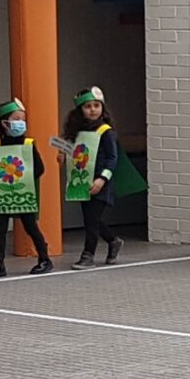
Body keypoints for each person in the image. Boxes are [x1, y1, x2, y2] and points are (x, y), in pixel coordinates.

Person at [61, 87, 125, 269]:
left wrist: (102, 179)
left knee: (91, 219)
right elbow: (72, 151)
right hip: (83, 180)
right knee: (91, 218)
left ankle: (88, 255)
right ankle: (113, 241)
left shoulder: (106, 131)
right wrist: (63, 156)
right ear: (80, 110)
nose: (93, 110)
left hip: (100, 182)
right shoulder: (77, 132)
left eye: (96, 105)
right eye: (88, 106)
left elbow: (113, 158)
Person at [0, 98, 52, 276]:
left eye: (23, 119)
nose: (21, 123)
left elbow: (39, 168)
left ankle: (44, 259)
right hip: (2, 194)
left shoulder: (28, 144)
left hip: (24, 193)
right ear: (5, 123)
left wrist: (24, 180)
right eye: (16, 119)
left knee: (30, 226)